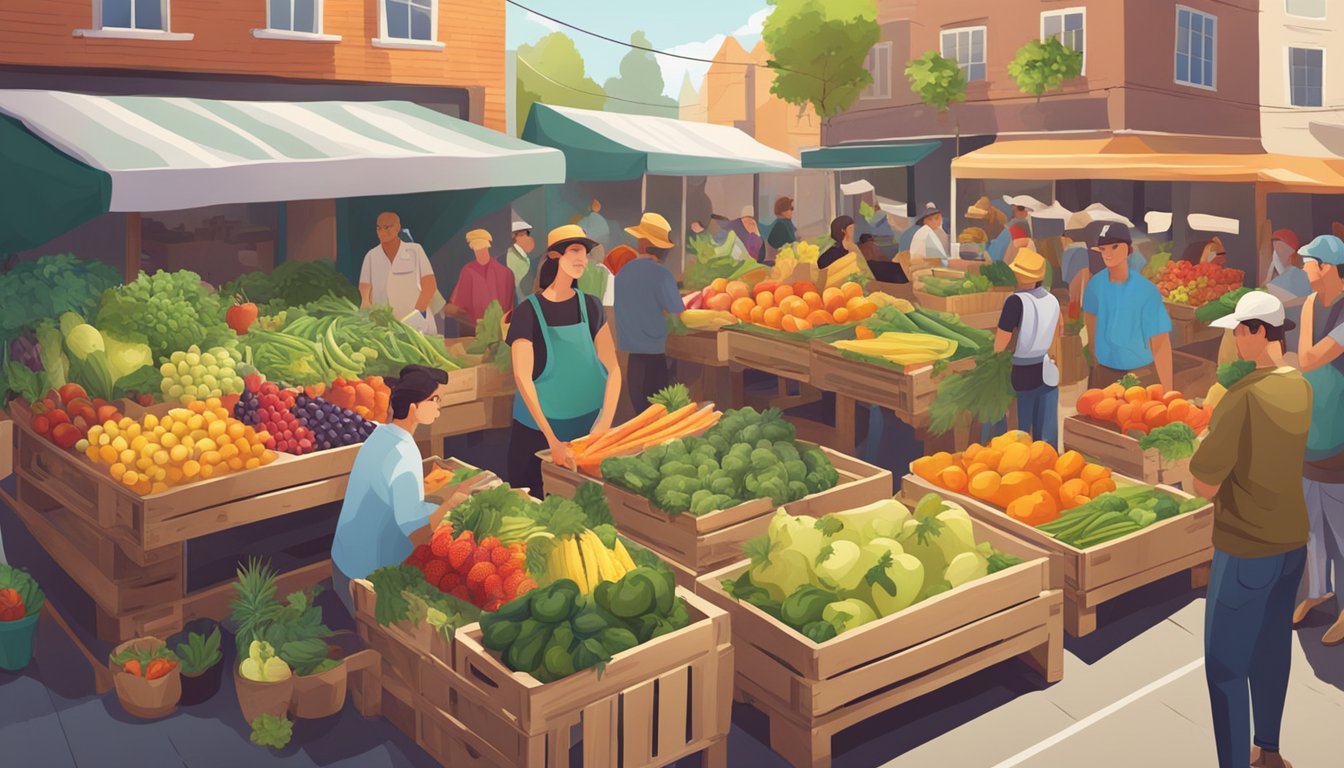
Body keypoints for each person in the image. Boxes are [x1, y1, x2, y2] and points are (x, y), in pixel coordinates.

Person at [1190, 291, 1310, 768]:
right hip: (1291, 543)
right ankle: (1271, 750)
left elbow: (1204, 484)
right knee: (1272, 648)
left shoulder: (1241, 398)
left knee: (1224, 667)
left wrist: (1204, 440)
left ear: (1262, 334)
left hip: (1246, 548)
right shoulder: (1299, 386)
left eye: (1242, 330)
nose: (1236, 338)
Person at [507, 225, 622, 497]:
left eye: (584, 252)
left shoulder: (592, 307)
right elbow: (523, 379)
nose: (582, 258)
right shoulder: (528, 313)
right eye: (574, 251)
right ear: (555, 256)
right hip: (537, 437)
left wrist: (603, 425)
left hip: (587, 434)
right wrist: (552, 440)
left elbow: (614, 369)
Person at [331, 365, 450, 615]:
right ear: (415, 408)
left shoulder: (381, 434)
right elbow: (414, 528)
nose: (439, 407)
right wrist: (453, 503)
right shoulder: (404, 453)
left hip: (343, 562)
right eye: (435, 400)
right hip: (367, 580)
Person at [1292, 234, 1344, 647]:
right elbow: (1305, 363)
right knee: (1309, 522)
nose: (1302, 268)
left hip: (1339, 435)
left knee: (1340, 526)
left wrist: (1310, 313)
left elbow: (1308, 359)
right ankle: (1316, 592)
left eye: (1308, 262)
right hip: (1312, 428)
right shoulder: (1311, 303)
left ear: (1325, 266)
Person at [1083, 223, 1174, 390]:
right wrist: (1097, 359)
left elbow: (1160, 343)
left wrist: (1167, 390)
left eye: (1115, 247)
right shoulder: (1094, 285)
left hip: (1140, 375)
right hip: (1104, 373)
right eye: (1103, 249)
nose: (1108, 254)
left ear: (1129, 249)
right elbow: (1091, 327)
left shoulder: (1146, 290)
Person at [615, 212, 687, 412]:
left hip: (633, 360)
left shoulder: (622, 274)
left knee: (640, 413)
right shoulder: (662, 274)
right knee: (659, 413)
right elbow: (677, 311)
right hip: (656, 358)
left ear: (642, 245)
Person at [994, 248, 1061, 446]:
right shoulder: (1052, 300)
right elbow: (1055, 336)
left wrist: (994, 361)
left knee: (1019, 437)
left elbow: (1001, 341)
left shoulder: (1015, 301)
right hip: (1046, 370)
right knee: (1046, 440)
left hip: (1020, 373)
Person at [360, 211, 438, 334]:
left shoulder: (415, 251)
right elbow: (365, 286)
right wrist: (365, 302)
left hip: (417, 326)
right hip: (384, 330)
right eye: (379, 228)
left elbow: (429, 284)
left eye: (387, 227)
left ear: (398, 227)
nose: (382, 231)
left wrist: (418, 314)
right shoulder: (371, 256)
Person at [446, 229, 515, 336]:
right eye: (478, 249)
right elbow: (458, 303)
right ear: (473, 249)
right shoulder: (468, 271)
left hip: (499, 331)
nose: (481, 252)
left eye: (483, 249)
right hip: (475, 331)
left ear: (488, 247)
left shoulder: (505, 273)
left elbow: (509, 306)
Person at [1266, 229, 1311, 300]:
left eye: (1280, 248)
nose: (1277, 252)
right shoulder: (1276, 271)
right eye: (1275, 249)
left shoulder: (1299, 273)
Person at [506, 219, 537, 301]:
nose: (529, 238)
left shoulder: (522, 255)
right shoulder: (511, 256)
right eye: (526, 234)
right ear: (517, 237)